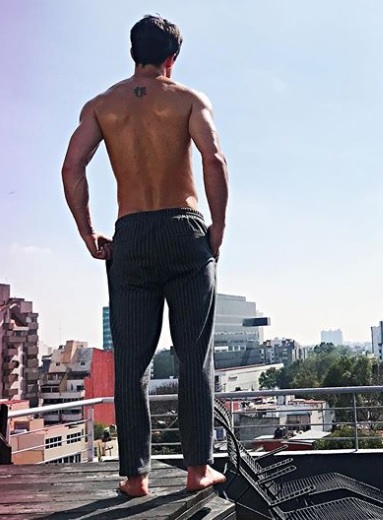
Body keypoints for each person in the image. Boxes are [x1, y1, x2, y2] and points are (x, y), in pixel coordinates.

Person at [61, 14, 228, 497]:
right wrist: (218, 229)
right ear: (172, 59)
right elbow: (214, 159)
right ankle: (198, 470)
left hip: (130, 234)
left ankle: (134, 477)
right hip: (183, 229)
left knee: (132, 363)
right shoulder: (188, 100)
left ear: (133, 53)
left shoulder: (102, 105)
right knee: (193, 357)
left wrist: (87, 232)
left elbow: (72, 167)